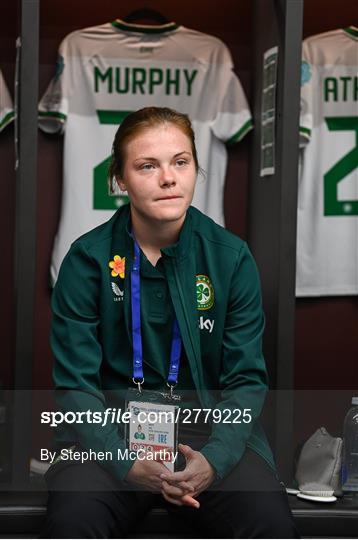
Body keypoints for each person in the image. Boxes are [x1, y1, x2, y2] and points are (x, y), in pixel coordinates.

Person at [40, 107, 299, 538]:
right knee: (73, 522)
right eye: (147, 165)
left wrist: (214, 460)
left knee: (269, 523)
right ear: (119, 179)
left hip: (209, 435)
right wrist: (124, 463)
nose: (168, 178)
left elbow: (246, 381)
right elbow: (76, 387)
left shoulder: (230, 257)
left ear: (196, 167)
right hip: (109, 437)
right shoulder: (87, 260)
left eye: (181, 162)